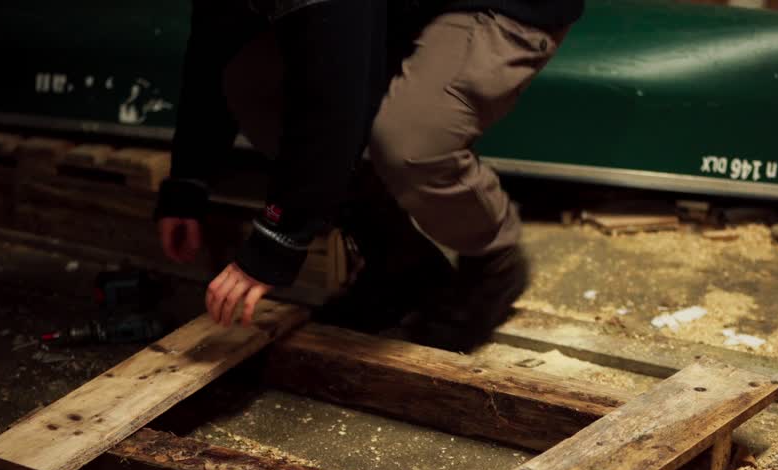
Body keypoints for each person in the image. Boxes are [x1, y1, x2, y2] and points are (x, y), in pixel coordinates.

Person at [154, 0, 580, 351]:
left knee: (410, 139)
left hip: (502, 5)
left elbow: (333, 98)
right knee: (251, 79)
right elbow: (215, 44)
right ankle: (399, 260)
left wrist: (276, 243)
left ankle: (495, 263)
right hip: (393, 9)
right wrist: (186, 186)